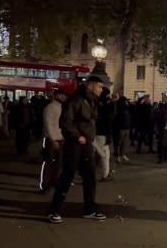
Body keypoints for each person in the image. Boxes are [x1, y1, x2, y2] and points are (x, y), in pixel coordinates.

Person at [47, 76, 106, 223]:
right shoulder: (77, 100)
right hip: (75, 144)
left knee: (90, 177)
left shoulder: (91, 101)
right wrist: (77, 136)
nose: (101, 90)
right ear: (90, 87)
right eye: (99, 86)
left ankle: (90, 209)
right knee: (68, 175)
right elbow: (65, 121)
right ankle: (54, 210)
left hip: (86, 144)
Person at [39, 89, 67, 194]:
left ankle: (54, 182)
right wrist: (52, 138)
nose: (63, 97)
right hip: (51, 139)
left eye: (64, 95)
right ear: (55, 96)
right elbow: (48, 124)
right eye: (61, 95)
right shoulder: (50, 108)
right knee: (48, 163)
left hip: (60, 139)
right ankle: (44, 185)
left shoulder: (62, 107)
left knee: (58, 163)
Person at [93, 87, 115, 182]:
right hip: (102, 133)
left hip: (96, 132)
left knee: (96, 154)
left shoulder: (95, 103)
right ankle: (105, 175)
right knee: (104, 155)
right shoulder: (103, 105)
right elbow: (110, 117)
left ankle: (87, 173)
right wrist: (112, 103)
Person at [112, 93, 131, 163]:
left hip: (127, 127)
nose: (127, 102)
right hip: (120, 128)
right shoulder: (119, 107)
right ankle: (118, 155)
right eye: (126, 101)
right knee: (118, 143)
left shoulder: (127, 108)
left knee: (125, 143)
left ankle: (122, 154)